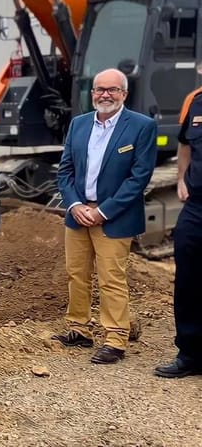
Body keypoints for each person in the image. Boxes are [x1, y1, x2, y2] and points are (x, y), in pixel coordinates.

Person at [52, 68, 157, 364]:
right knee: (77, 274)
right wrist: (75, 205)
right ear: (92, 93)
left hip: (114, 217)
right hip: (78, 214)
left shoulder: (141, 126)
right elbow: (65, 170)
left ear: (124, 94)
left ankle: (115, 339)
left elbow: (138, 178)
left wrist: (103, 211)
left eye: (112, 90)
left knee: (111, 279)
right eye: (100, 89)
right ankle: (78, 329)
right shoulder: (79, 124)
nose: (105, 95)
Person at [153, 77, 202, 377]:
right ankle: (191, 353)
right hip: (197, 206)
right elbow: (185, 144)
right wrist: (181, 178)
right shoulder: (195, 101)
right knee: (188, 280)